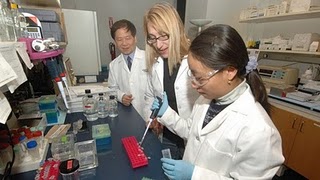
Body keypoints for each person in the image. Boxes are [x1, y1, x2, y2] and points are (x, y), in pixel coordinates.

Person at [152, 24, 284, 179]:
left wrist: (196, 175)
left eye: (200, 78)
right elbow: (191, 132)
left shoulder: (259, 131)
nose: (194, 84)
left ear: (230, 71)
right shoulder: (206, 99)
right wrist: (166, 113)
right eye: (191, 75)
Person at [143, 2, 199, 159]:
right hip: (168, 134)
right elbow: (150, 94)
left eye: (164, 36)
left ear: (175, 30)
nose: (159, 45)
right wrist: (150, 117)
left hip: (192, 139)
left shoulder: (195, 62)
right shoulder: (156, 63)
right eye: (153, 38)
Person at [108, 19, 147, 117]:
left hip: (149, 114)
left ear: (135, 38)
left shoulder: (149, 59)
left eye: (128, 38)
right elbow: (112, 89)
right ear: (115, 42)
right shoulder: (113, 65)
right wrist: (121, 97)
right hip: (128, 115)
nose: (124, 43)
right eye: (119, 39)